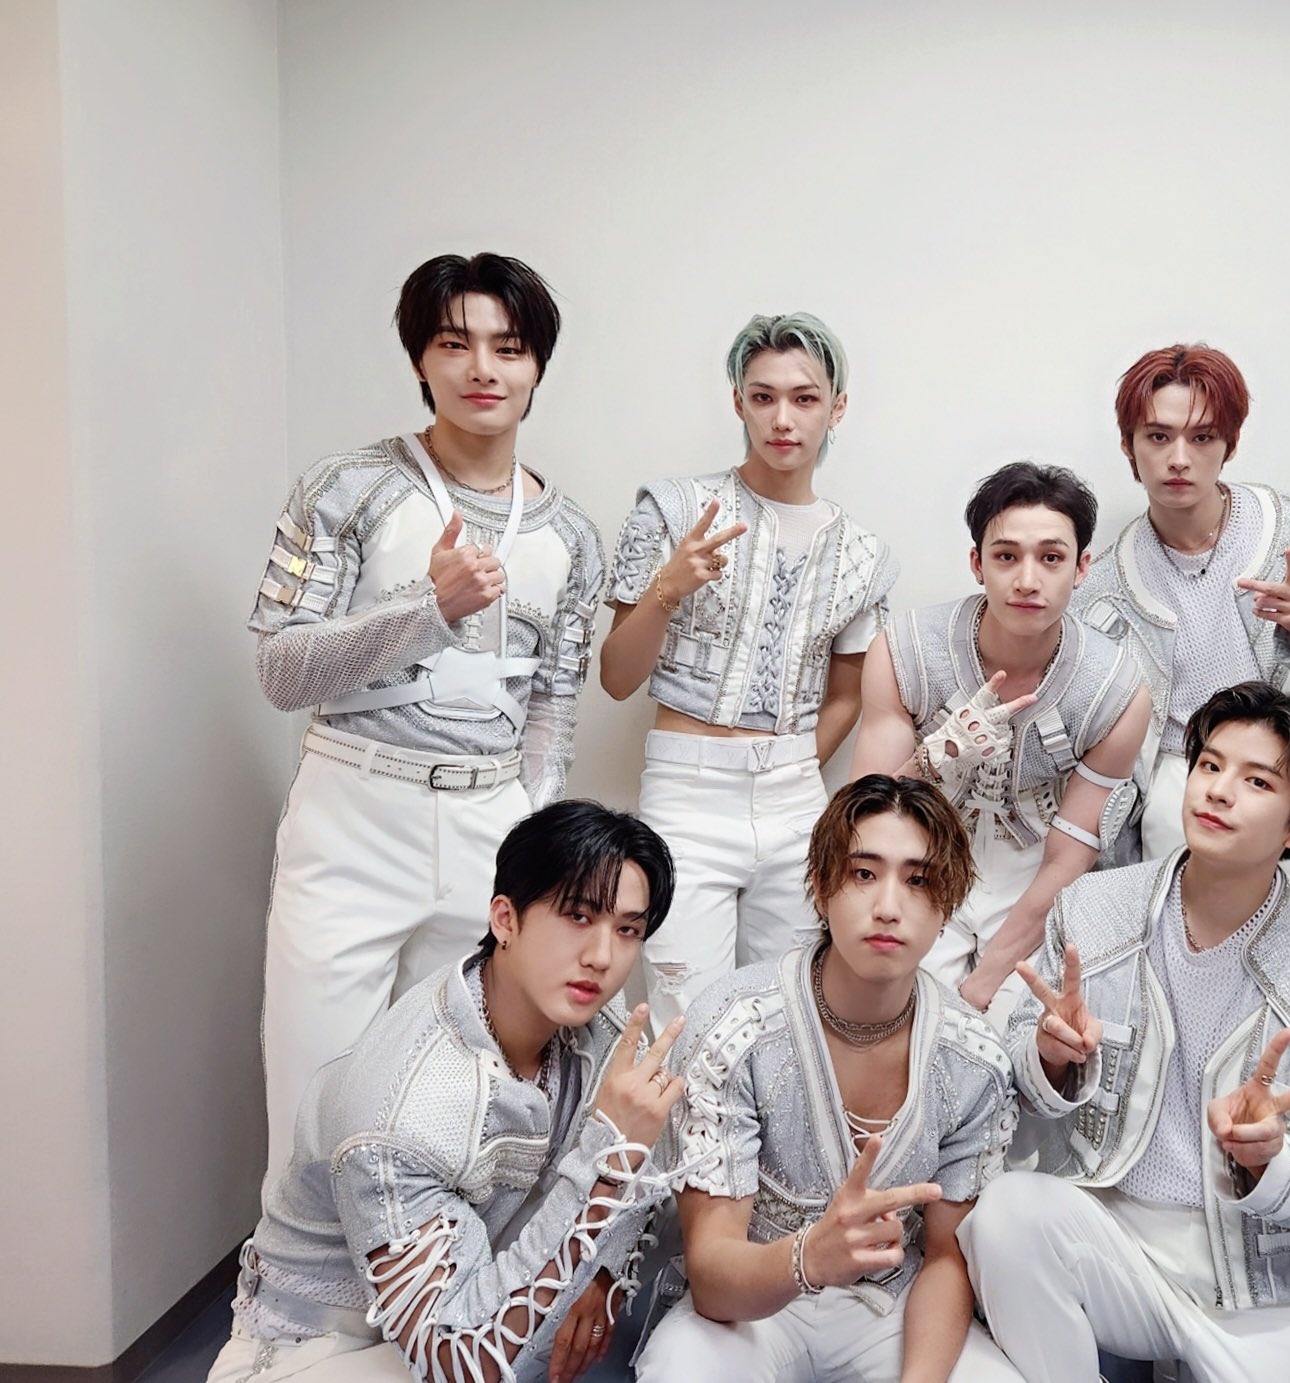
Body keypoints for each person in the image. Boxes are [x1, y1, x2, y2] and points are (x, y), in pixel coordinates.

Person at [250, 253, 606, 1181]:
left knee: (455, 1101)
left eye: (508, 347)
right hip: (354, 813)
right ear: (420, 358)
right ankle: (290, 1282)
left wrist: (531, 834)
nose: (483, 368)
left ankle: (427, 1279)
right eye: (456, 343)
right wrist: (425, 609)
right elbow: (280, 671)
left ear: (537, 365)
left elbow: (552, 707)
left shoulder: (573, 535)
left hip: (492, 826)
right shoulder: (348, 486)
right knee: (312, 1101)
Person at [959, 683, 1290, 1383]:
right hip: (1110, 1233)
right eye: (1210, 765)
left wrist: (1273, 1160)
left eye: (1257, 781)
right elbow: (1016, 1090)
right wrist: (1048, 1058)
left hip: (1259, 1282)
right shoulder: (1093, 910)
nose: (1218, 790)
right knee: (1006, 1214)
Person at [208, 801, 685, 1383]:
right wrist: (607, 1165)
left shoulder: (598, 1030)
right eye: (577, 916)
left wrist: (603, 1270)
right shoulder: (400, 1113)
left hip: (463, 1310)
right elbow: (458, 1364)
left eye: (627, 929)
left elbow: (654, 1160)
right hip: (318, 1353)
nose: (602, 957)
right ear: (505, 920)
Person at [636, 775, 1022, 1382]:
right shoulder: (735, 1027)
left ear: (947, 905)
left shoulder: (974, 1061)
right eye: (864, 873)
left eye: (918, 880)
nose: (888, 906)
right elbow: (711, 1276)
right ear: (819, 885)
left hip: (893, 1307)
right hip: (753, 1304)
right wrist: (809, 1258)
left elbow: (946, 1258)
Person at [601, 312, 898, 1031]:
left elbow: (848, 695)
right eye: (763, 397)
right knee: (684, 1017)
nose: (782, 419)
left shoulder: (865, 554)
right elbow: (615, 676)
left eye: (804, 397)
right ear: (738, 401)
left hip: (796, 802)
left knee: (787, 1013)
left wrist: (784, 769)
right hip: (686, 795)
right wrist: (667, 589)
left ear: (837, 407)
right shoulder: (673, 510)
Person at [851, 462, 1151, 1021]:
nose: (1028, 580)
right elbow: (861, 821)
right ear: (977, 564)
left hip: (1037, 869)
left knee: (1017, 1031)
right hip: (921, 850)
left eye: (1051, 558)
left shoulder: (1116, 689)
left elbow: (1071, 853)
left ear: (1083, 567)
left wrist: (985, 982)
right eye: (1006, 556)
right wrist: (933, 759)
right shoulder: (907, 650)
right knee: (900, 1020)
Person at [1074, 342, 1290, 862]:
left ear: (1229, 444)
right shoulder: (1102, 593)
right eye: (1158, 436)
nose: (1179, 459)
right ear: (1128, 445)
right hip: (1178, 789)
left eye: (1202, 437)